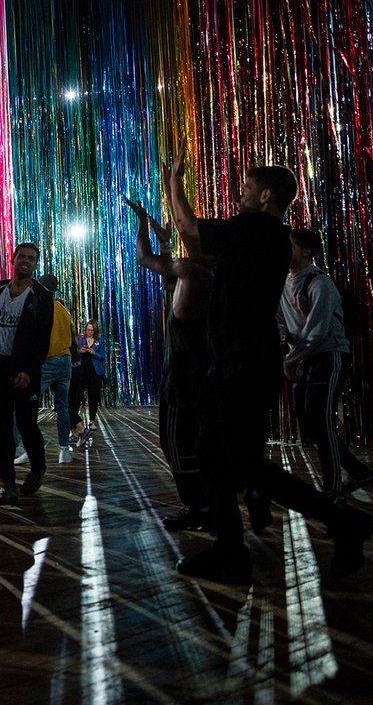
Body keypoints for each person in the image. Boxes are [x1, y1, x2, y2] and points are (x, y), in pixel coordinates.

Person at [166, 148, 373, 582]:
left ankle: (248, 546)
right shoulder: (266, 237)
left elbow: (188, 230)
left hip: (240, 363)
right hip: (245, 361)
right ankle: (246, 545)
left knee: (228, 458)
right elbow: (198, 249)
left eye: (246, 188)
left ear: (266, 196)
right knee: (230, 458)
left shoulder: (257, 228)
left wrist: (175, 181)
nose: (240, 194)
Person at [126, 193, 212, 532]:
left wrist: (142, 223)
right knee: (199, 442)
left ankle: (200, 508)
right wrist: (165, 245)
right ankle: (211, 504)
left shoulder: (192, 270)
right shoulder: (218, 273)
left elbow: (143, 259)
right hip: (208, 373)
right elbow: (169, 283)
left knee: (177, 443)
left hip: (183, 375)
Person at [278, 228, 373, 501]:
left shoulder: (320, 283)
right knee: (310, 422)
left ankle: (333, 487)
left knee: (320, 420)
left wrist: (290, 359)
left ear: (306, 252)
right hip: (303, 358)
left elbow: (317, 332)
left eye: (290, 246)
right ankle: (359, 471)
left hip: (329, 355)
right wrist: (285, 342)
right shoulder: (284, 282)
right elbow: (280, 320)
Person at [0, 243, 53, 504]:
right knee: (0, 428)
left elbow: (42, 340)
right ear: (13, 259)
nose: (26, 261)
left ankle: (38, 468)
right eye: (22, 256)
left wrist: (30, 372)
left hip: (23, 370)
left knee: (26, 424)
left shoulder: (41, 297)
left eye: (32, 258)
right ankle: (7, 483)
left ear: (36, 264)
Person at [36, 273, 78, 464]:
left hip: (48, 360)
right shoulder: (63, 309)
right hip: (65, 360)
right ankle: (64, 450)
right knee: (62, 407)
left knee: (25, 402)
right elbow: (73, 335)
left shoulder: (40, 307)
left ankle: (22, 447)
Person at [72, 320, 105, 446]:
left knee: (93, 396)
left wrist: (93, 352)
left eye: (91, 330)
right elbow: (74, 351)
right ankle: (75, 421)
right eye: (88, 330)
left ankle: (91, 421)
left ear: (95, 331)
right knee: (78, 396)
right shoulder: (80, 339)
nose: (89, 332)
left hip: (95, 372)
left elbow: (102, 356)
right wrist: (80, 351)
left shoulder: (100, 341)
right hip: (82, 371)